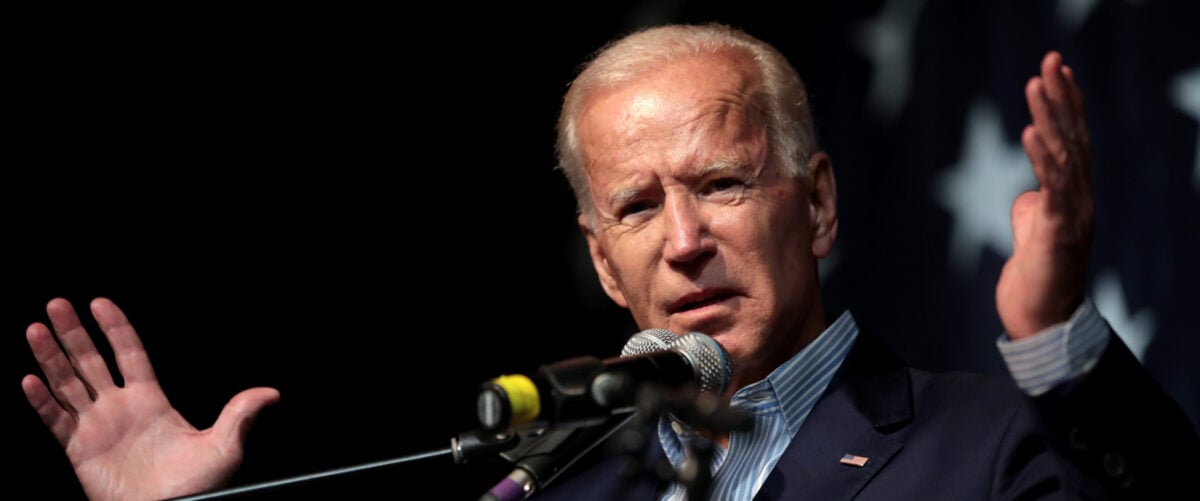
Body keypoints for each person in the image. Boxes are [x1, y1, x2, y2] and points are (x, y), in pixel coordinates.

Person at [20, 23, 1198, 500]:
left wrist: (1056, 337)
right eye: (638, 208)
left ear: (821, 203)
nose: (684, 239)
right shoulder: (546, 483)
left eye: (722, 184)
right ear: (604, 264)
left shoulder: (988, 444)